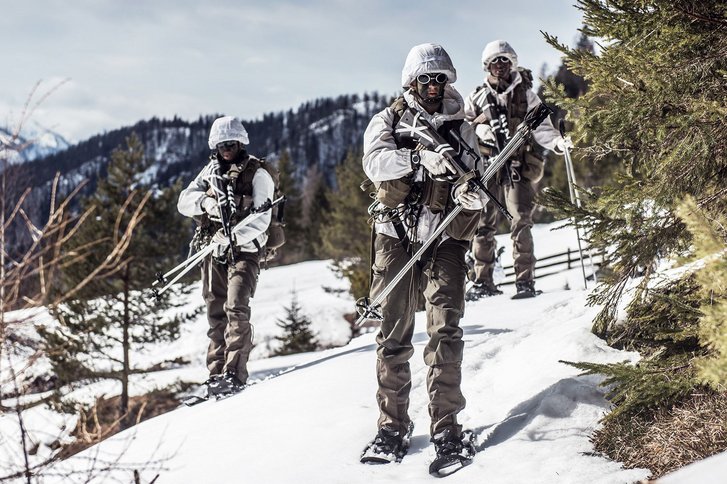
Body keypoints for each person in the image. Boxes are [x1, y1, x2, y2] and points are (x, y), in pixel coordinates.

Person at [360, 43, 483, 469]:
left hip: (444, 239)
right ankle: (391, 428)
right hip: (394, 237)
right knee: (393, 337)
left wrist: (471, 195)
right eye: (426, 78)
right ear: (411, 80)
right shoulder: (388, 120)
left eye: (440, 78)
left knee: (445, 331)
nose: (433, 86)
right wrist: (418, 158)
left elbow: (478, 173)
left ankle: (447, 427)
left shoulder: (461, 126)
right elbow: (374, 164)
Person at [464, 40, 570, 300]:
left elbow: (542, 128)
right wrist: (479, 129)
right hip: (486, 168)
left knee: (521, 221)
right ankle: (482, 282)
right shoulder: (476, 97)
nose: (499, 66)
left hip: (516, 167)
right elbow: (463, 130)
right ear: (486, 65)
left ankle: (525, 282)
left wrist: (557, 141)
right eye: (494, 61)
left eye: (504, 60)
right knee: (483, 225)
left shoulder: (527, 96)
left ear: (512, 62)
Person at [177, 116, 275, 397]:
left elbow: (262, 219)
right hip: (214, 251)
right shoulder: (210, 172)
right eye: (221, 145)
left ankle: (234, 373)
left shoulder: (258, 174)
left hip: (245, 251)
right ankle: (215, 372)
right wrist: (205, 201)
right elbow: (183, 200)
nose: (227, 149)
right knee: (215, 312)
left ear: (241, 142)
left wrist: (232, 237)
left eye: (231, 143)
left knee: (236, 308)